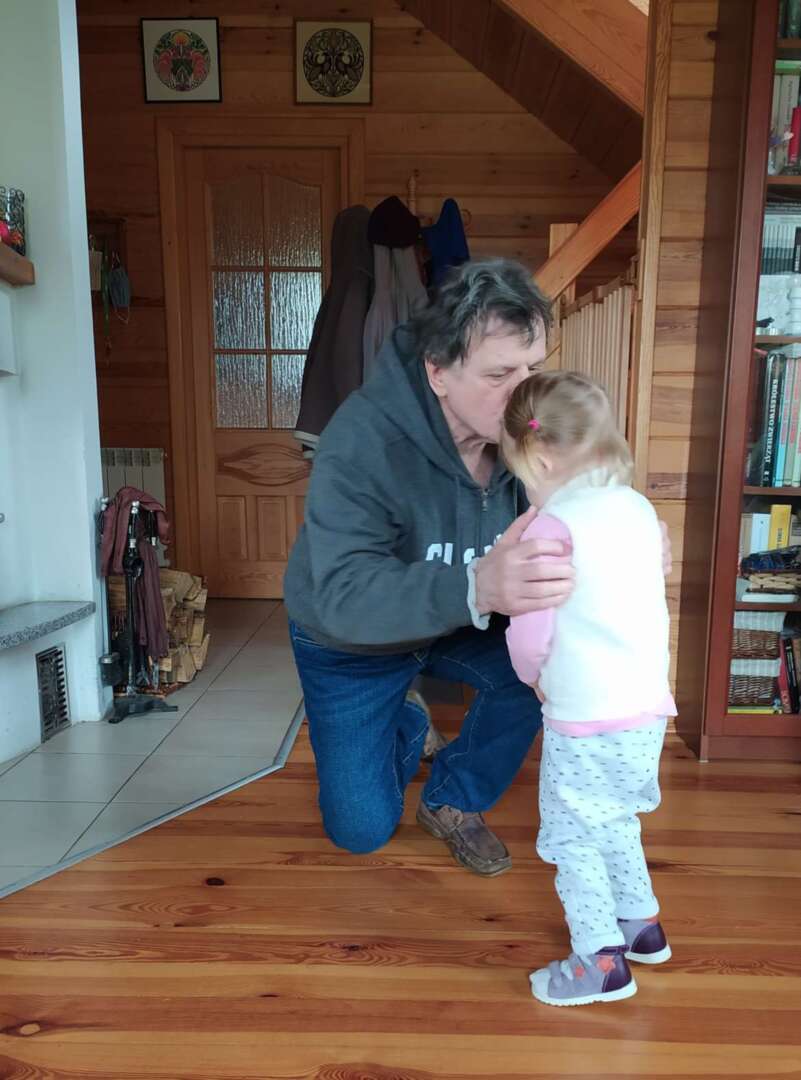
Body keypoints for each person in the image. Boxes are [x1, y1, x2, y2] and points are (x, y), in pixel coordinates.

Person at [284, 258, 671, 878]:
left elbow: (590, 488)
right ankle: (406, 716)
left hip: (467, 617)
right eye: (499, 374)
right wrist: (477, 585)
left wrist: (625, 532)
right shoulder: (361, 440)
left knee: (545, 667)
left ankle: (453, 798)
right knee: (359, 831)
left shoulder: (528, 428)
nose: (523, 392)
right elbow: (342, 595)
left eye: (532, 368)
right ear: (437, 371)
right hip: (351, 637)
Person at [501, 370, 675, 1007]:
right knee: (616, 818)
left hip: (584, 716)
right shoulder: (640, 509)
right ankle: (640, 924)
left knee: (573, 836)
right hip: (647, 709)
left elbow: (530, 628)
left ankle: (599, 963)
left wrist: (532, 677)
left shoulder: (554, 527)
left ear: (542, 458)